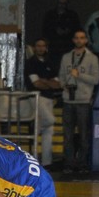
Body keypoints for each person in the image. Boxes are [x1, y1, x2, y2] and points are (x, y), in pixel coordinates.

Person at [58, 30, 99, 173]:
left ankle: (82, 164)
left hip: (83, 100)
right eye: (76, 38)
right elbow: (61, 75)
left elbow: (96, 79)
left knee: (84, 135)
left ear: (86, 40)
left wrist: (79, 75)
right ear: (73, 40)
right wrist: (63, 84)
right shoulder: (66, 57)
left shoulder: (92, 58)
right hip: (68, 100)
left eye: (82, 38)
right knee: (67, 135)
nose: (79, 40)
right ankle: (69, 163)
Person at [25, 38, 62, 167]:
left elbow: (57, 84)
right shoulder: (30, 63)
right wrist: (48, 82)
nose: (40, 48)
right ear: (34, 47)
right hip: (36, 97)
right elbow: (36, 84)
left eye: (43, 46)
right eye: (38, 46)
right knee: (50, 120)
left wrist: (44, 81)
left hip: (49, 98)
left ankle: (46, 162)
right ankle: (35, 131)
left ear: (46, 47)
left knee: (49, 131)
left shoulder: (51, 62)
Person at [42, 0, 81, 70]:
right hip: (54, 46)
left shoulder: (72, 15)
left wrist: (68, 31)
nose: (62, 5)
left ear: (67, 4)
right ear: (57, 3)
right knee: (54, 68)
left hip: (68, 46)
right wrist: (54, 31)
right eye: (60, 3)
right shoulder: (50, 15)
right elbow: (45, 30)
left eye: (64, 4)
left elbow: (77, 29)